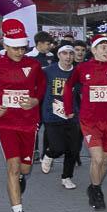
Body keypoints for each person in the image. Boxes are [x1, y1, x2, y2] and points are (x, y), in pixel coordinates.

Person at [0, 19, 46, 212]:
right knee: (13, 165)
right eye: (15, 48)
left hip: (29, 122)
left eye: (22, 48)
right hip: (6, 123)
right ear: (6, 46)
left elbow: (41, 88)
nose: (20, 52)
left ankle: (19, 179)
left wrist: (35, 100)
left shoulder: (33, 65)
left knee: (25, 169)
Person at [64, 35, 107, 211]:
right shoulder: (82, 68)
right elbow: (68, 87)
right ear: (94, 50)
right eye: (102, 47)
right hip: (89, 120)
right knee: (96, 157)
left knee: (105, 159)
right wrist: (68, 108)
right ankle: (96, 190)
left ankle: (93, 186)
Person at [40, 44, 82, 189]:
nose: (68, 56)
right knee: (58, 147)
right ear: (58, 55)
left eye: (71, 53)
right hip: (52, 115)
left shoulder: (78, 72)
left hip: (72, 115)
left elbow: (82, 93)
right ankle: (49, 154)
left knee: (73, 149)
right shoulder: (48, 71)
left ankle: (67, 177)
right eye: (65, 53)